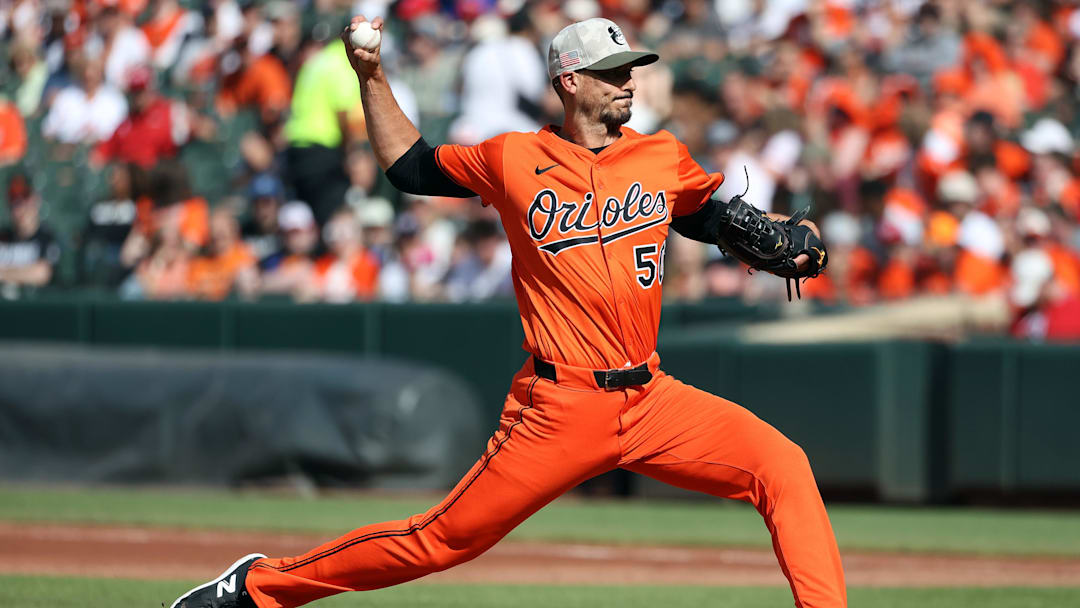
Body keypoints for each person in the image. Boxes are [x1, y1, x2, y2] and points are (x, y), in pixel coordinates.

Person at [169, 16, 844, 608]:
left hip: (651, 398)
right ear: (570, 81)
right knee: (438, 542)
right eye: (612, 73)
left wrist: (778, 236)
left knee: (782, 466)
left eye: (631, 70)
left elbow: (708, 216)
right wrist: (370, 75)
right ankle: (257, 588)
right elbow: (410, 166)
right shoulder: (514, 158)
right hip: (559, 407)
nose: (629, 83)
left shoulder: (660, 154)